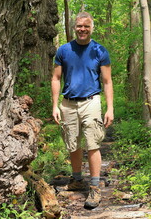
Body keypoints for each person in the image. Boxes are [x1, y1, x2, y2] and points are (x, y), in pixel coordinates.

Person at [51, 11, 114, 209]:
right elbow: (55, 78)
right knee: (72, 143)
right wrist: (54, 105)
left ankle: (94, 187)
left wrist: (110, 108)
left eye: (86, 26)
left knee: (92, 143)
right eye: (79, 26)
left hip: (91, 102)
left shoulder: (99, 51)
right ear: (74, 27)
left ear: (91, 28)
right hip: (68, 103)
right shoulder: (63, 50)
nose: (82, 29)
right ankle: (77, 179)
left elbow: (107, 81)